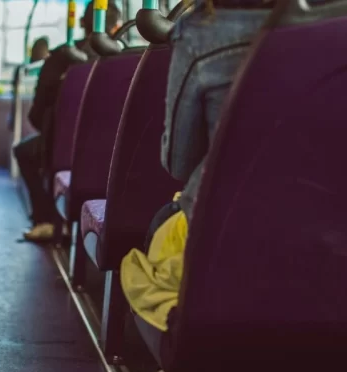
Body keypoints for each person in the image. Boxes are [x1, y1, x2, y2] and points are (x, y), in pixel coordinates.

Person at [120, 0, 273, 340]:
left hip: (228, 227)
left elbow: (180, 162)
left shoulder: (202, 33)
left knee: (165, 220)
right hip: (327, 232)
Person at [16, 1, 121, 242]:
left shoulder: (61, 58)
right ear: (116, 29)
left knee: (25, 152)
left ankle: (46, 219)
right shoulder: (130, 60)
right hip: (114, 151)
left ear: (83, 24)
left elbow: (36, 115)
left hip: (64, 149)